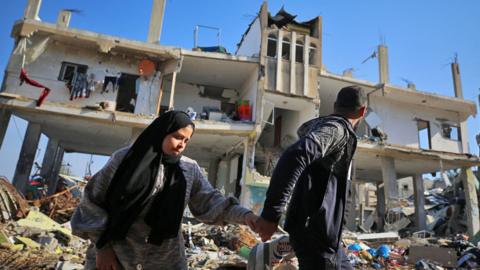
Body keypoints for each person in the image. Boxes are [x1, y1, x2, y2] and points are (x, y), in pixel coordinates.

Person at [71, 111, 258, 270]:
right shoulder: (124, 160)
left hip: (165, 260)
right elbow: (92, 201)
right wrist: (102, 247)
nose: (181, 145)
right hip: (116, 256)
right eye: (177, 136)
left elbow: (211, 203)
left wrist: (246, 216)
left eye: (186, 140)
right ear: (162, 132)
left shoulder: (188, 169)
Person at [255, 86, 367, 269]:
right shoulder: (337, 129)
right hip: (315, 235)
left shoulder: (330, 130)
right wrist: (270, 215)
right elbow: (295, 155)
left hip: (325, 239)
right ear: (362, 111)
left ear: (335, 105)